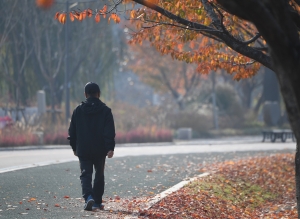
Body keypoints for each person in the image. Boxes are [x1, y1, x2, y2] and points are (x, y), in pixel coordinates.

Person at [68, 82, 115, 211]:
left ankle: (89, 197)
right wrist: (110, 148)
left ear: (85, 94)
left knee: (85, 174)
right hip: (100, 150)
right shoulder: (106, 110)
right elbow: (109, 131)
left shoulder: (78, 110)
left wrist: (74, 148)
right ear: (98, 94)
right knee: (99, 175)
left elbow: (72, 132)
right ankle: (97, 202)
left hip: (83, 149)